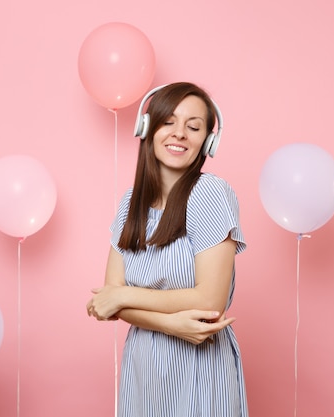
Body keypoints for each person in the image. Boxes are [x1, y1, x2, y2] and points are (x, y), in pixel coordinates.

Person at [86, 82, 248, 416]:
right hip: (143, 362)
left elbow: (209, 300)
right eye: (169, 122)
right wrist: (170, 325)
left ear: (208, 141)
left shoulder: (210, 194)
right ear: (147, 128)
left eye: (194, 127)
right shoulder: (131, 203)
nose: (180, 134)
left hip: (198, 362)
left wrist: (122, 297)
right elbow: (109, 302)